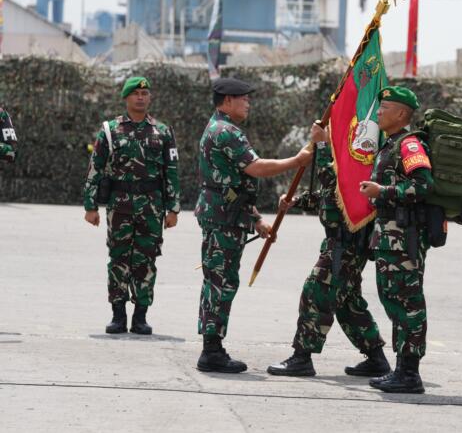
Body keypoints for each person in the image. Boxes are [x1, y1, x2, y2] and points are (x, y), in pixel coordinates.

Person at [195, 77, 313, 374]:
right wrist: (296, 161)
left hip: (226, 213)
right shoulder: (227, 132)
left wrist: (255, 219)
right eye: (243, 98)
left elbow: (233, 185)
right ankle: (211, 351)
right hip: (223, 217)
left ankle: (213, 347)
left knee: (218, 281)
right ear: (227, 100)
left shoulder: (219, 128)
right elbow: (256, 168)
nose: (248, 103)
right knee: (220, 283)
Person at [266, 123, 390, 377]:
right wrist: (297, 201)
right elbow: (330, 195)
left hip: (346, 244)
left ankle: (302, 357)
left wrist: (322, 146)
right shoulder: (345, 160)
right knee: (347, 303)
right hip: (342, 244)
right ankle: (376, 357)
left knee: (316, 293)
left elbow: (339, 188)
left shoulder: (360, 160)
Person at [83, 76, 180, 335]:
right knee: (118, 259)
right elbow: (96, 167)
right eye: (135, 93)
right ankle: (117, 315)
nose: (141, 97)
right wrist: (90, 205)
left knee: (146, 260)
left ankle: (140, 316)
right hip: (120, 204)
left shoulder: (162, 131)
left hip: (151, 205)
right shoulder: (110, 130)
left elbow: (171, 171)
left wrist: (173, 209)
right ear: (126, 98)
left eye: (145, 93)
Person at [359, 86, 433, 394]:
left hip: (405, 239)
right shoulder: (389, 145)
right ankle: (402, 369)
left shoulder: (410, 144)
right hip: (390, 240)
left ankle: (410, 373)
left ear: (401, 114)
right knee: (395, 302)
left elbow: (424, 186)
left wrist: (383, 192)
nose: (378, 112)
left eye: (384, 107)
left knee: (408, 304)